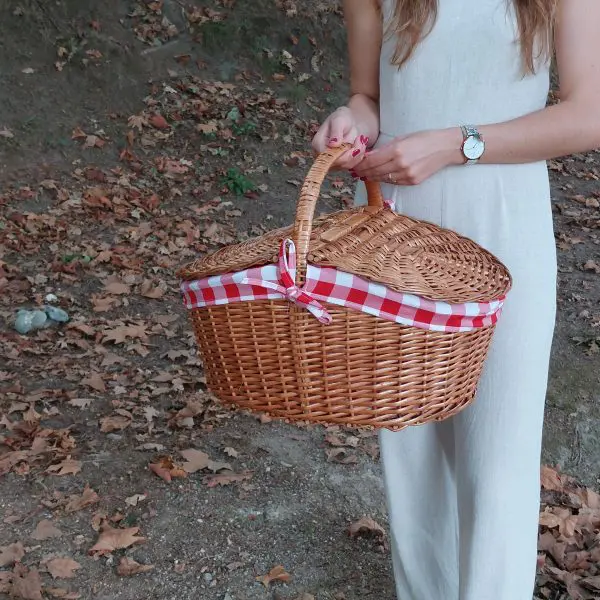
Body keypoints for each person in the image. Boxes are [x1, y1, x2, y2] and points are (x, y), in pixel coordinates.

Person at [312, 1, 600, 599]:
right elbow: (368, 96)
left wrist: (457, 144)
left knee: (499, 457)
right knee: (413, 454)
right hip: (399, 228)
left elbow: (588, 115)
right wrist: (350, 120)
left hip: (504, 218)